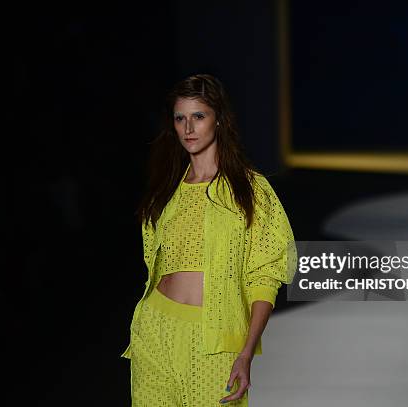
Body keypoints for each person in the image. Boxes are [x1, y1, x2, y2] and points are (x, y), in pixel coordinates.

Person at [120, 74, 297, 406]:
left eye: (198, 116)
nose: (188, 127)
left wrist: (246, 353)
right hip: (154, 330)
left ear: (219, 119)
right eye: (180, 118)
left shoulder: (249, 190)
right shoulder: (166, 190)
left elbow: (266, 276)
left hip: (214, 341)